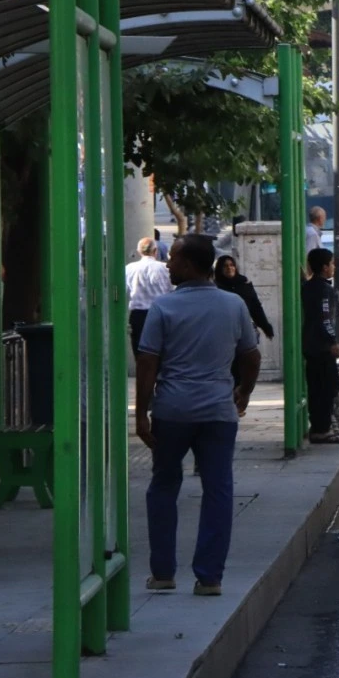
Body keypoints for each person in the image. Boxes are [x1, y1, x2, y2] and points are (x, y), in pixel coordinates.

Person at [135, 234, 261, 596]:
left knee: (163, 485)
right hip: (218, 412)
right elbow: (251, 356)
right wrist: (244, 392)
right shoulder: (234, 305)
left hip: (172, 411)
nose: (168, 263)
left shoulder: (164, 307)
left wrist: (142, 414)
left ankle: (162, 573)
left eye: (172, 258)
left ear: (189, 265)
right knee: (218, 490)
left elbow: (148, 362)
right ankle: (209, 577)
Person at [302, 247, 339, 444]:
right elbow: (325, 319)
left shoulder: (307, 287)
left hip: (310, 345)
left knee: (316, 388)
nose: (334, 267)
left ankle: (319, 427)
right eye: (332, 263)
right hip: (322, 348)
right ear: (325, 267)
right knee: (328, 387)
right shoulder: (324, 290)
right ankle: (321, 429)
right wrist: (333, 341)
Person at [125, 237, 174, 357]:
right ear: (155, 250)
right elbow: (171, 290)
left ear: (139, 251)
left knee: (140, 352)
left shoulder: (129, 268)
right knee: (161, 352)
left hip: (138, 315)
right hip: (162, 313)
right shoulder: (165, 268)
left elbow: (125, 291)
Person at [215, 256, 275, 341]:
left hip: (245, 329)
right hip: (225, 332)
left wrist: (266, 327)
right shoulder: (216, 288)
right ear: (220, 269)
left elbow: (255, 307)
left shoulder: (244, 284)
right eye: (225, 266)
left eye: (231, 265)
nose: (229, 268)